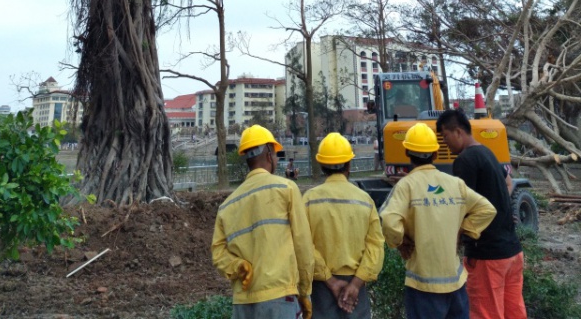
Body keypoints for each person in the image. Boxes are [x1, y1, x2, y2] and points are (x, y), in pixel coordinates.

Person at [379, 123, 496, 319]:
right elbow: (487, 209)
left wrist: (400, 242)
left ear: (407, 151)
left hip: (423, 284)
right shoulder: (455, 184)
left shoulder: (406, 185)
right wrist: (462, 230)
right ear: (435, 153)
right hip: (456, 282)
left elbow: (388, 221)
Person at [211, 124, 314, 319]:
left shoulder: (227, 205)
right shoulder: (287, 189)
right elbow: (303, 246)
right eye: (275, 154)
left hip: (242, 304)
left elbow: (218, 253)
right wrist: (304, 292)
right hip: (280, 298)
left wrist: (237, 265)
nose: (276, 158)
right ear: (268, 155)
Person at [436, 108, 527, 319]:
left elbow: (461, 209)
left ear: (458, 132)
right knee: (515, 312)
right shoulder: (487, 152)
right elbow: (508, 182)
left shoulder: (465, 160)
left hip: (487, 256)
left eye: (445, 136)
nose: (444, 143)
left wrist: (453, 244)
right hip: (512, 252)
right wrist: (500, 207)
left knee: (485, 313)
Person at [303, 133, 384, 319]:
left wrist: (330, 281)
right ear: (349, 165)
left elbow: (303, 246)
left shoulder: (308, 200)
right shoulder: (365, 200)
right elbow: (376, 246)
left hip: (321, 287)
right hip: (357, 285)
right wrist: (356, 284)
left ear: (322, 166)